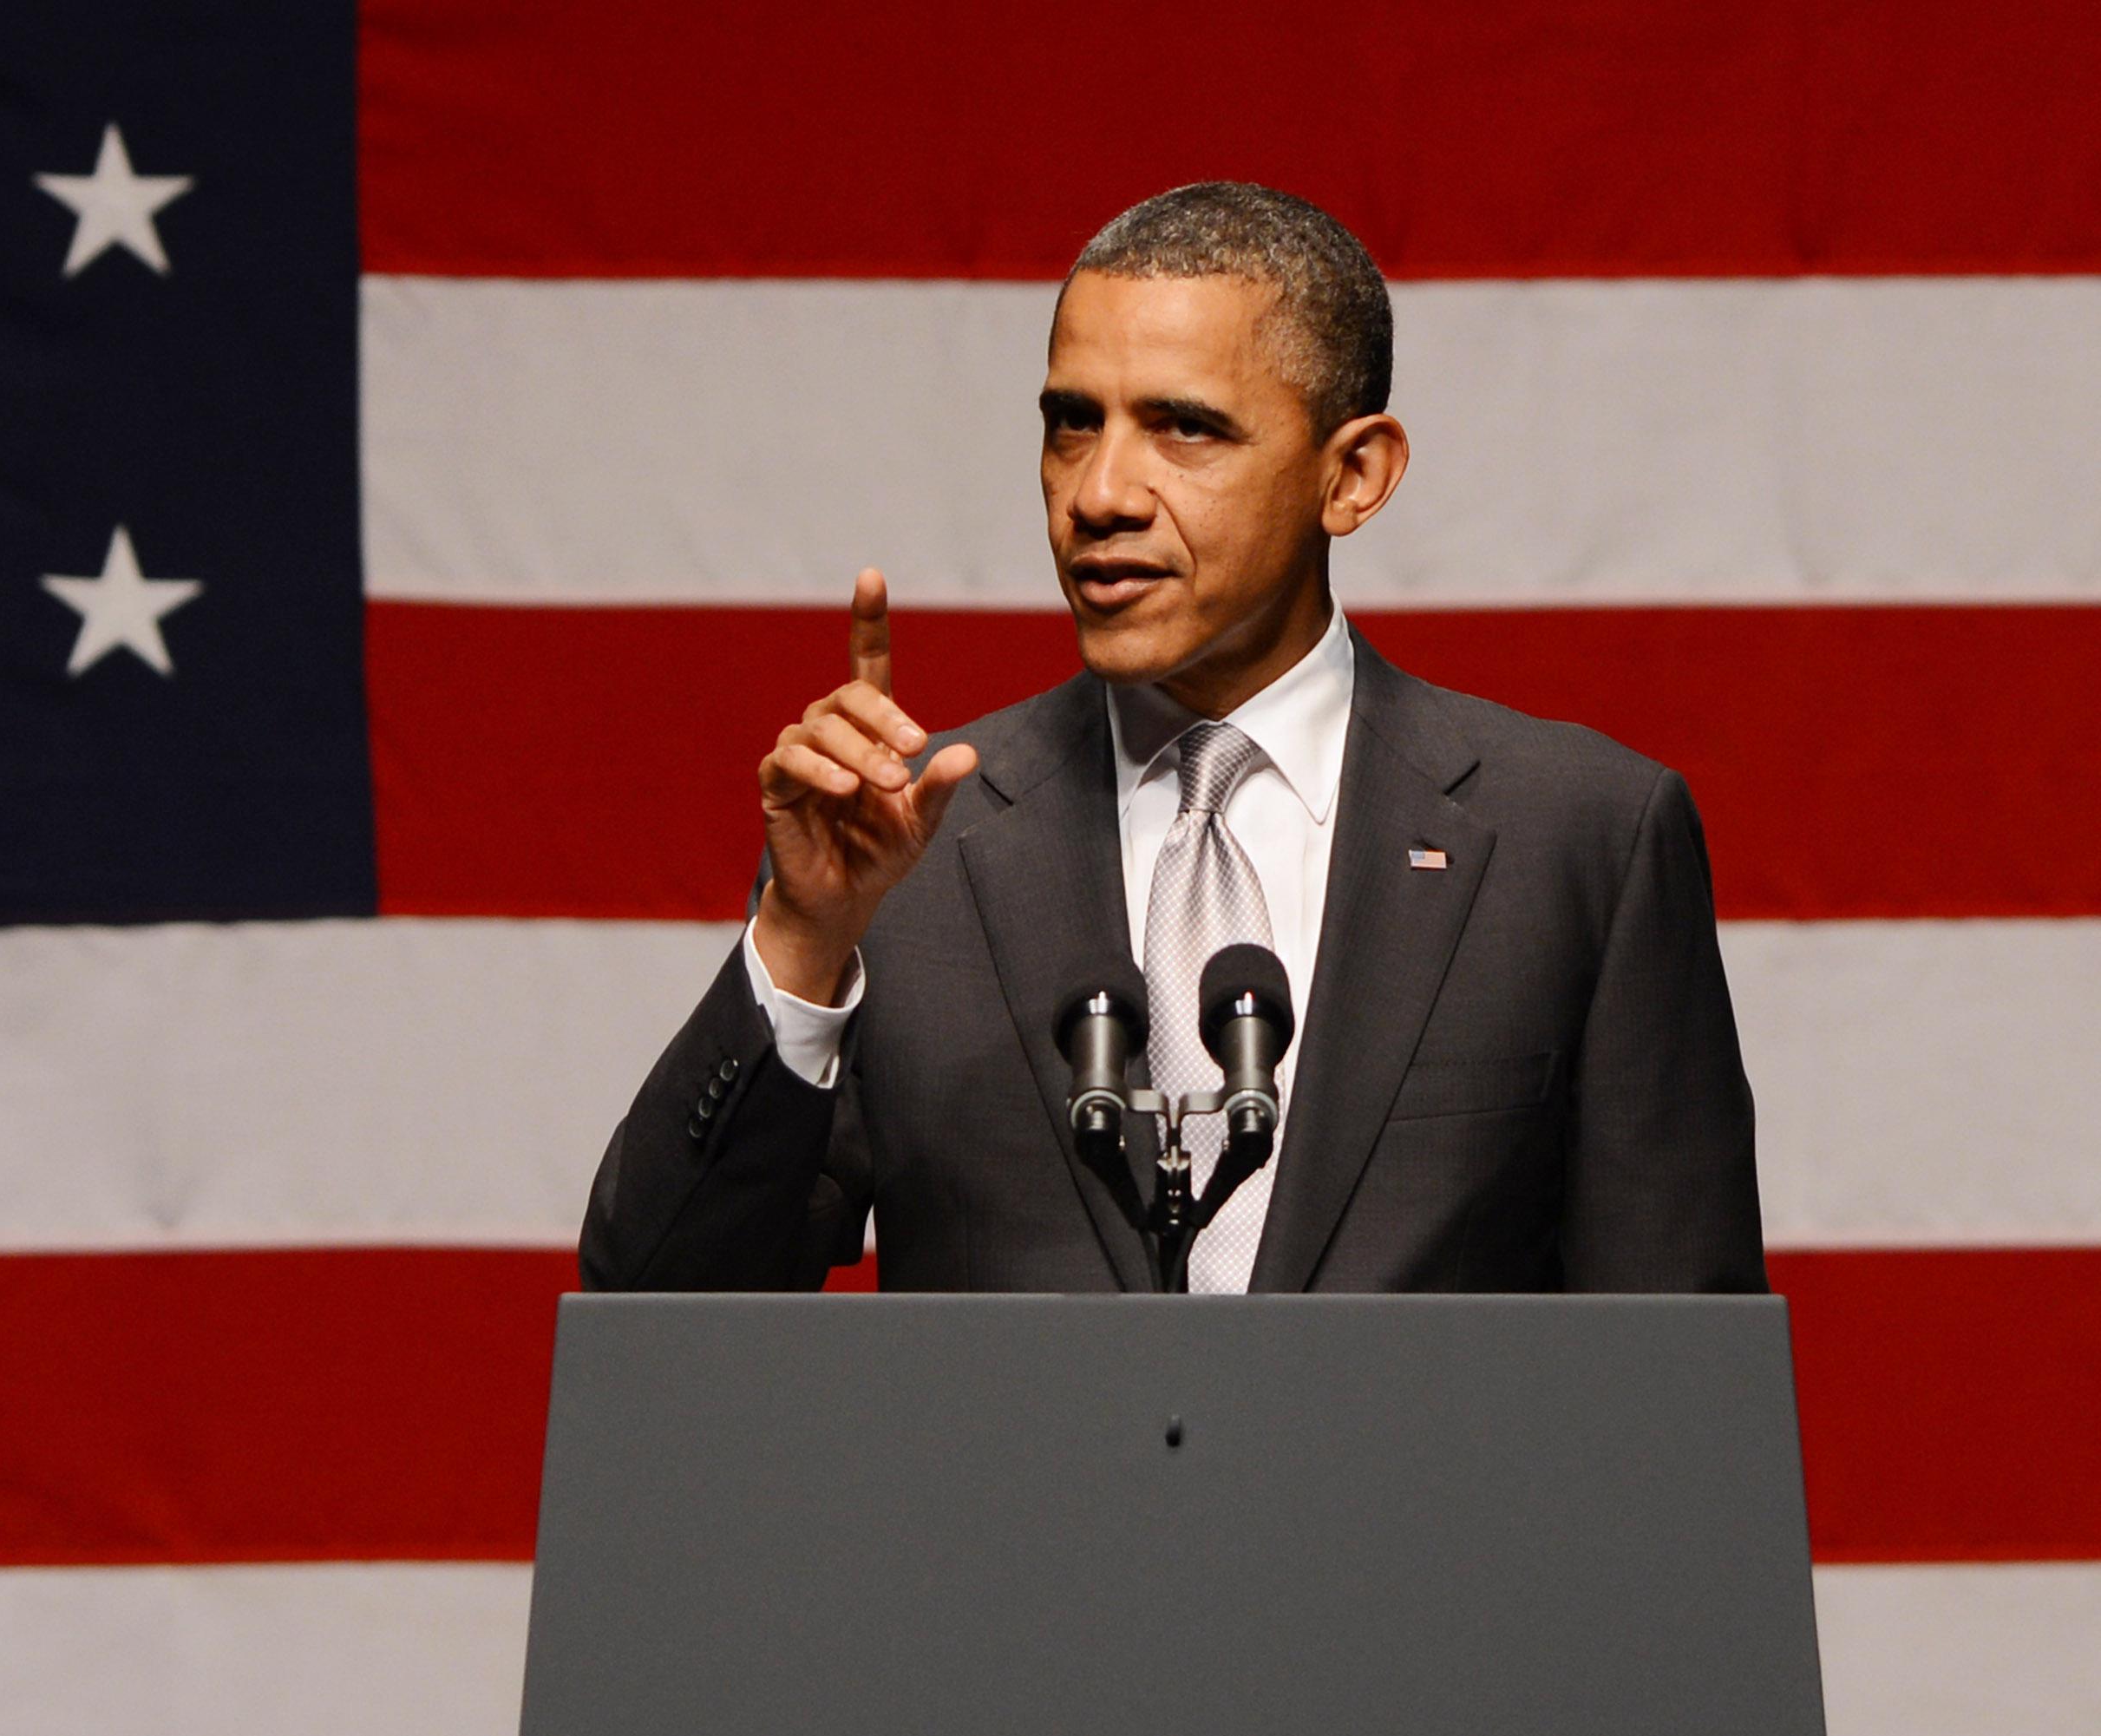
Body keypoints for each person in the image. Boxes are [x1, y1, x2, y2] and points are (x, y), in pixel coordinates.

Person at [581, 182, 1764, 1294]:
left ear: (1353, 476)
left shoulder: (1583, 842)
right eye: (1072, 424)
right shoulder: (903, 846)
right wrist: (801, 944)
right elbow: (654, 1310)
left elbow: (1681, 1385)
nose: (1099, 492)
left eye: (1184, 428)